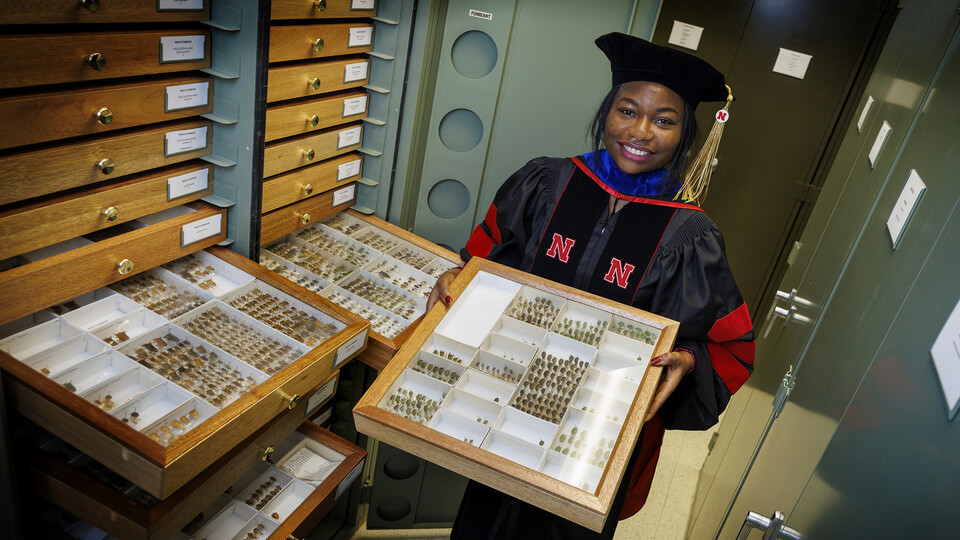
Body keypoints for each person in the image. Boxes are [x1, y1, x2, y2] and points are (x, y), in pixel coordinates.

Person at [427, 32, 755, 539]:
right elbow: (485, 260)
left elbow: (728, 345)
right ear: (606, 113)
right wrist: (457, 278)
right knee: (484, 517)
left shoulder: (691, 237)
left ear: (685, 135)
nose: (641, 131)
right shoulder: (546, 182)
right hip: (509, 400)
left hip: (598, 433)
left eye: (664, 121)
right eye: (628, 111)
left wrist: (688, 360)